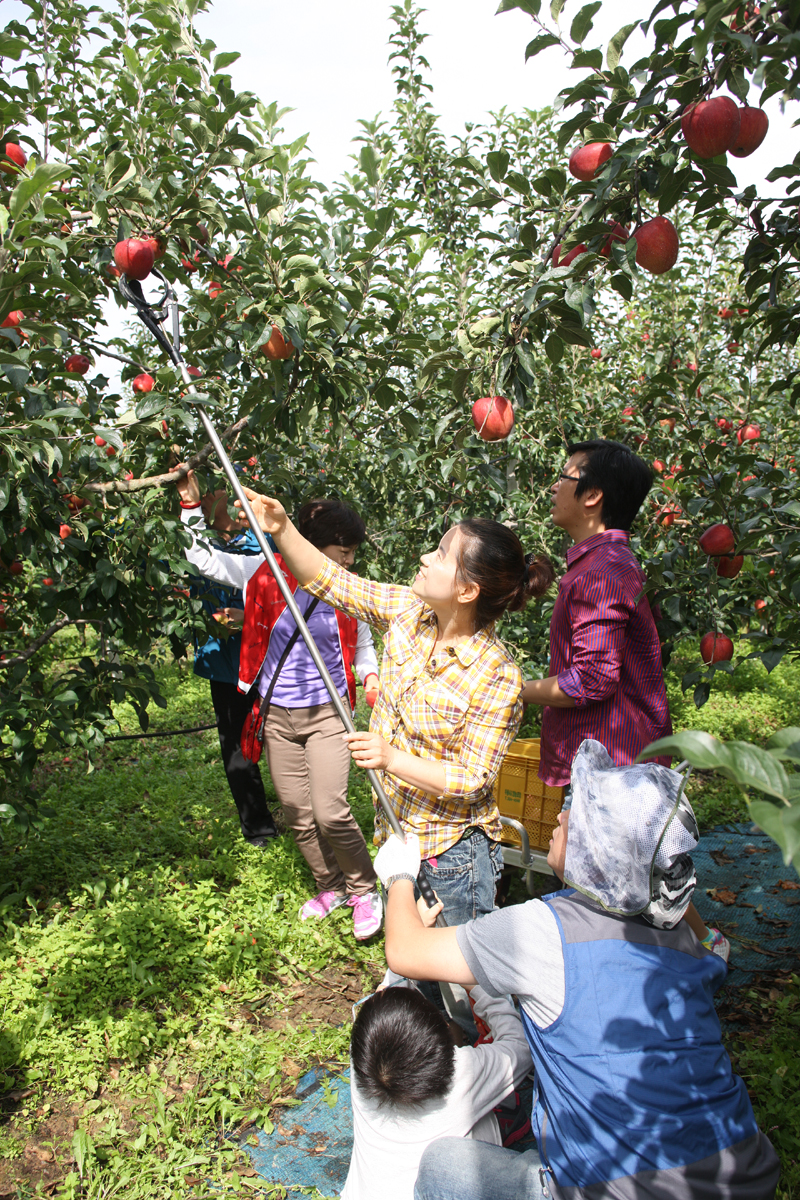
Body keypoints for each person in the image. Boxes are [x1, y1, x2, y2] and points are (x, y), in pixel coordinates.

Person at [373, 739, 781, 1200]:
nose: (561, 817)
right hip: (744, 1176)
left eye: (578, 815)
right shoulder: (686, 941)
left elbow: (405, 951)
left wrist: (400, 875)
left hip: (619, 1192)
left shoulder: (542, 931)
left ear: (601, 853)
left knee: (443, 1167)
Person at [233, 484, 555, 933]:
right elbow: (331, 580)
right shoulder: (408, 612)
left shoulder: (497, 674)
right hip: (395, 837)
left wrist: (391, 758)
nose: (424, 558)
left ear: (467, 591)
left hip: (449, 855)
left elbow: (472, 778)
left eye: (440, 555)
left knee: (455, 965)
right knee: (411, 953)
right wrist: (283, 528)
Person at [522, 439, 727, 959]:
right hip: (620, 748)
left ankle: (673, 959)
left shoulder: (600, 571)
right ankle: (703, 945)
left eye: (565, 477)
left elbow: (591, 679)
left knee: (615, 877)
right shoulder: (604, 563)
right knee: (641, 868)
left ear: (592, 496)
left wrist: (517, 692)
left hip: (608, 756)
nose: (554, 486)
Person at [175, 470, 383, 941]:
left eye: (353, 552)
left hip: (328, 713)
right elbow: (201, 557)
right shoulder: (264, 572)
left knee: (330, 810)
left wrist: (369, 673)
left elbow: (364, 644)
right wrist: (190, 508)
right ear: (314, 543)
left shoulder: (346, 587)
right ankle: (330, 885)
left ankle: (364, 889)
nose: (350, 560)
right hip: (277, 714)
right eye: (344, 550)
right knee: (296, 812)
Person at [343, 902, 532, 1200]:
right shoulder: (462, 1073)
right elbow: (519, 1046)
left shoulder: (363, 1060)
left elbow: (385, 997)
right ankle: (508, 1121)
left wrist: (411, 939)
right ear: (444, 1047)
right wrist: (477, 985)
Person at [188, 486, 278, 847]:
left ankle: (301, 807)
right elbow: (185, 560)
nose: (209, 496)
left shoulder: (262, 542)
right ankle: (258, 827)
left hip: (268, 660)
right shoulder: (193, 542)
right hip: (225, 663)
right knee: (237, 746)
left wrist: (249, 616)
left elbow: (280, 593)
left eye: (215, 489)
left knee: (279, 736)